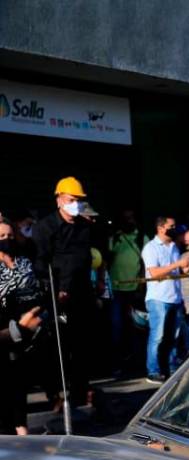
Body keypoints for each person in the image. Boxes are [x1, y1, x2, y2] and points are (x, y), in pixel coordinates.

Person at [31, 177, 97, 410]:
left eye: (79, 201)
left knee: (82, 347)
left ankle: (79, 393)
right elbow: (40, 264)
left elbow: (87, 258)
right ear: (59, 199)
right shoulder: (45, 227)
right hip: (56, 296)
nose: (75, 205)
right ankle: (55, 395)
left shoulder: (84, 225)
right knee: (55, 348)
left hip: (82, 294)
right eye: (71, 200)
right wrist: (56, 290)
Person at [142, 216, 189, 383]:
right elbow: (154, 273)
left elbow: (178, 272)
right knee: (157, 336)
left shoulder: (174, 246)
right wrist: (178, 264)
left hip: (175, 297)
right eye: (171, 226)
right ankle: (153, 371)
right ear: (160, 228)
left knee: (173, 336)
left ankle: (171, 367)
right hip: (158, 298)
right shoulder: (151, 248)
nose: (174, 229)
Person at [0, 219, 44, 435]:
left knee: (19, 385)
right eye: (1, 237)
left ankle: (22, 431)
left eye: (9, 236)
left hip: (30, 331)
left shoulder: (24, 262)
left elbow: (35, 287)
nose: (6, 240)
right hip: (7, 331)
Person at [108, 210, 148, 376]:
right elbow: (106, 260)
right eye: (125, 218)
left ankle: (137, 364)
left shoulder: (142, 238)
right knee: (117, 328)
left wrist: (142, 284)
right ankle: (118, 364)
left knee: (136, 328)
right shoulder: (114, 238)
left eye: (131, 218)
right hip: (116, 290)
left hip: (134, 291)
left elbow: (146, 263)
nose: (128, 221)